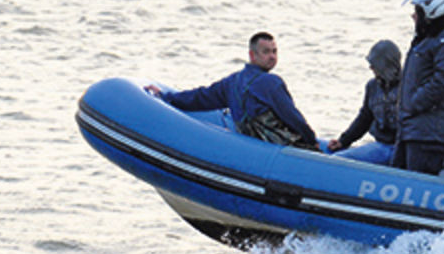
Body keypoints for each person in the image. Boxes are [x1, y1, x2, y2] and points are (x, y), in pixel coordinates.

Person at [148, 32, 320, 150]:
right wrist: (312, 141)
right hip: (277, 148)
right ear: (253, 55)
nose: (272, 56)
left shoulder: (233, 82)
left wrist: (167, 97)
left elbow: (200, 98)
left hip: (251, 147)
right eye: (266, 52)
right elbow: (292, 117)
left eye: (274, 51)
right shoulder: (271, 83)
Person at [392, 0, 444, 175]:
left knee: (415, 185)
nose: (413, 16)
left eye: (416, 12)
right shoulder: (426, 39)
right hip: (412, 130)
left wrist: (414, 103)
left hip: (428, 134)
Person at [327, 39, 402, 165]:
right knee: (335, 159)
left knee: (337, 161)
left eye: (375, 64)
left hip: (399, 147)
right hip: (381, 144)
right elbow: (365, 118)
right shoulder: (372, 87)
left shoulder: (408, 86)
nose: (371, 68)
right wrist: (344, 141)